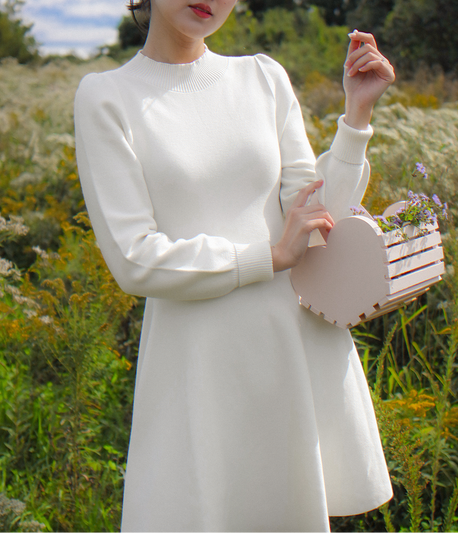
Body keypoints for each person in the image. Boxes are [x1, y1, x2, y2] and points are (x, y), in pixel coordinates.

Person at [74, 0, 395, 530]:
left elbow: (316, 220)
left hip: (289, 348)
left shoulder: (262, 77)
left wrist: (356, 118)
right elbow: (134, 258)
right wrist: (265, 257)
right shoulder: (107, 96)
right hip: (198, 363)